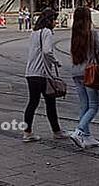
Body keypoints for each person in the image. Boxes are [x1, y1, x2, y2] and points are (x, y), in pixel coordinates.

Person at [23, 8, 68, 142]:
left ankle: (27, 132)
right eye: (54, 19)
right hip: (41, 74)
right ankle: (56, 131)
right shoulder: (47, 32)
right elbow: (47, 51)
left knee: (33, 102)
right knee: (50, 103)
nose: (56, 22)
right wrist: (56, 62)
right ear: (49, 20)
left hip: (31, 73)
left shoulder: (35, 32)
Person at [69, 7, 99, 148]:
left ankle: (87, 137)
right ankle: (79, 131)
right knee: (94, 106)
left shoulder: (74, 35)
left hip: (76, 72)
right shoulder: (92, 34)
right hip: (89, 73)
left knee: (84, 106)